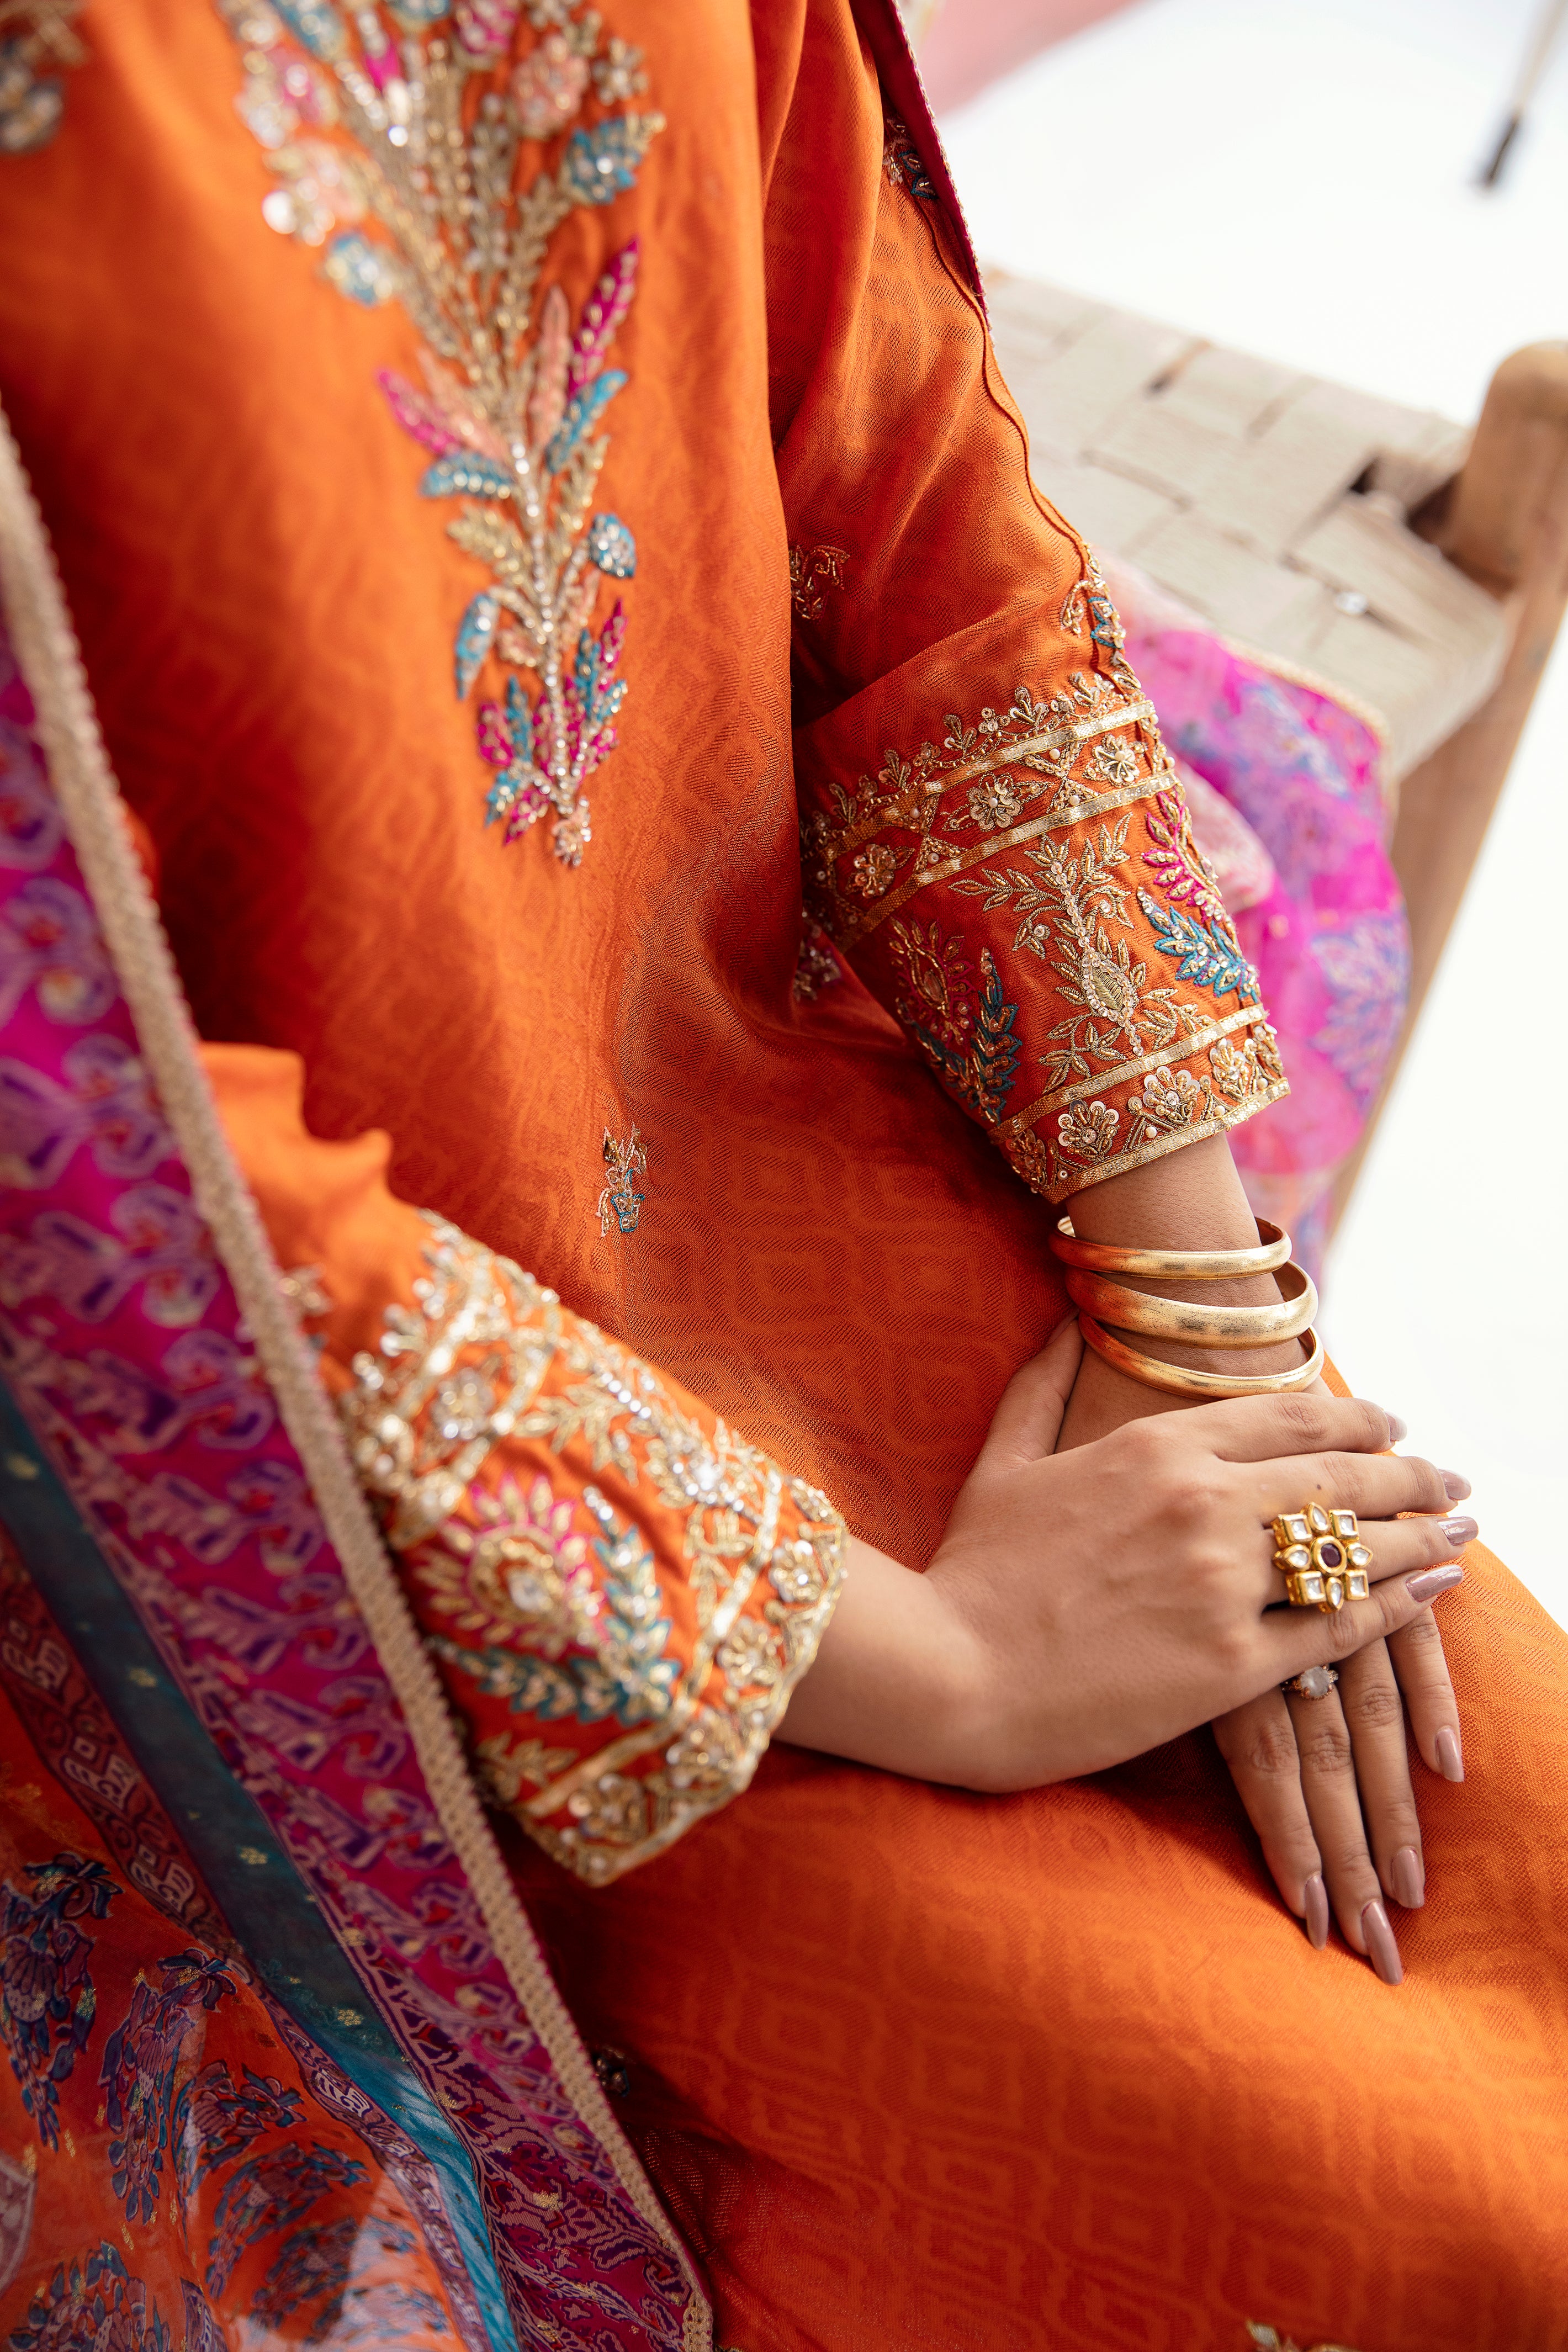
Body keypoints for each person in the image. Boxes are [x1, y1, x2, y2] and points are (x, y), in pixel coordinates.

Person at [0, 3, 1564, 2349]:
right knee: (1408, 2234)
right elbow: (78, 1165)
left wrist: (1191, 1327)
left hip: (777, 1131)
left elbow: (890, 452)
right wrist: (944, 1656)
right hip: (295, 1504)